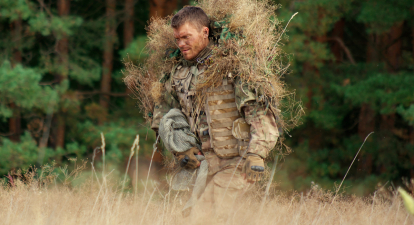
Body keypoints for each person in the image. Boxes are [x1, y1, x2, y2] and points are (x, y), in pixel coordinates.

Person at [150, 6, 280, 218]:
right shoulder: (178, 74)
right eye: (177, 39)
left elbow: (260, 114)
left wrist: (256, 154)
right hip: (201, 168)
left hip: (235, 165)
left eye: (186, 37)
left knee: (204, 217)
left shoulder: (232, 66)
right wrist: (181, 151)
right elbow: (163, 118)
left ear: (205, 32)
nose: (181, 44)